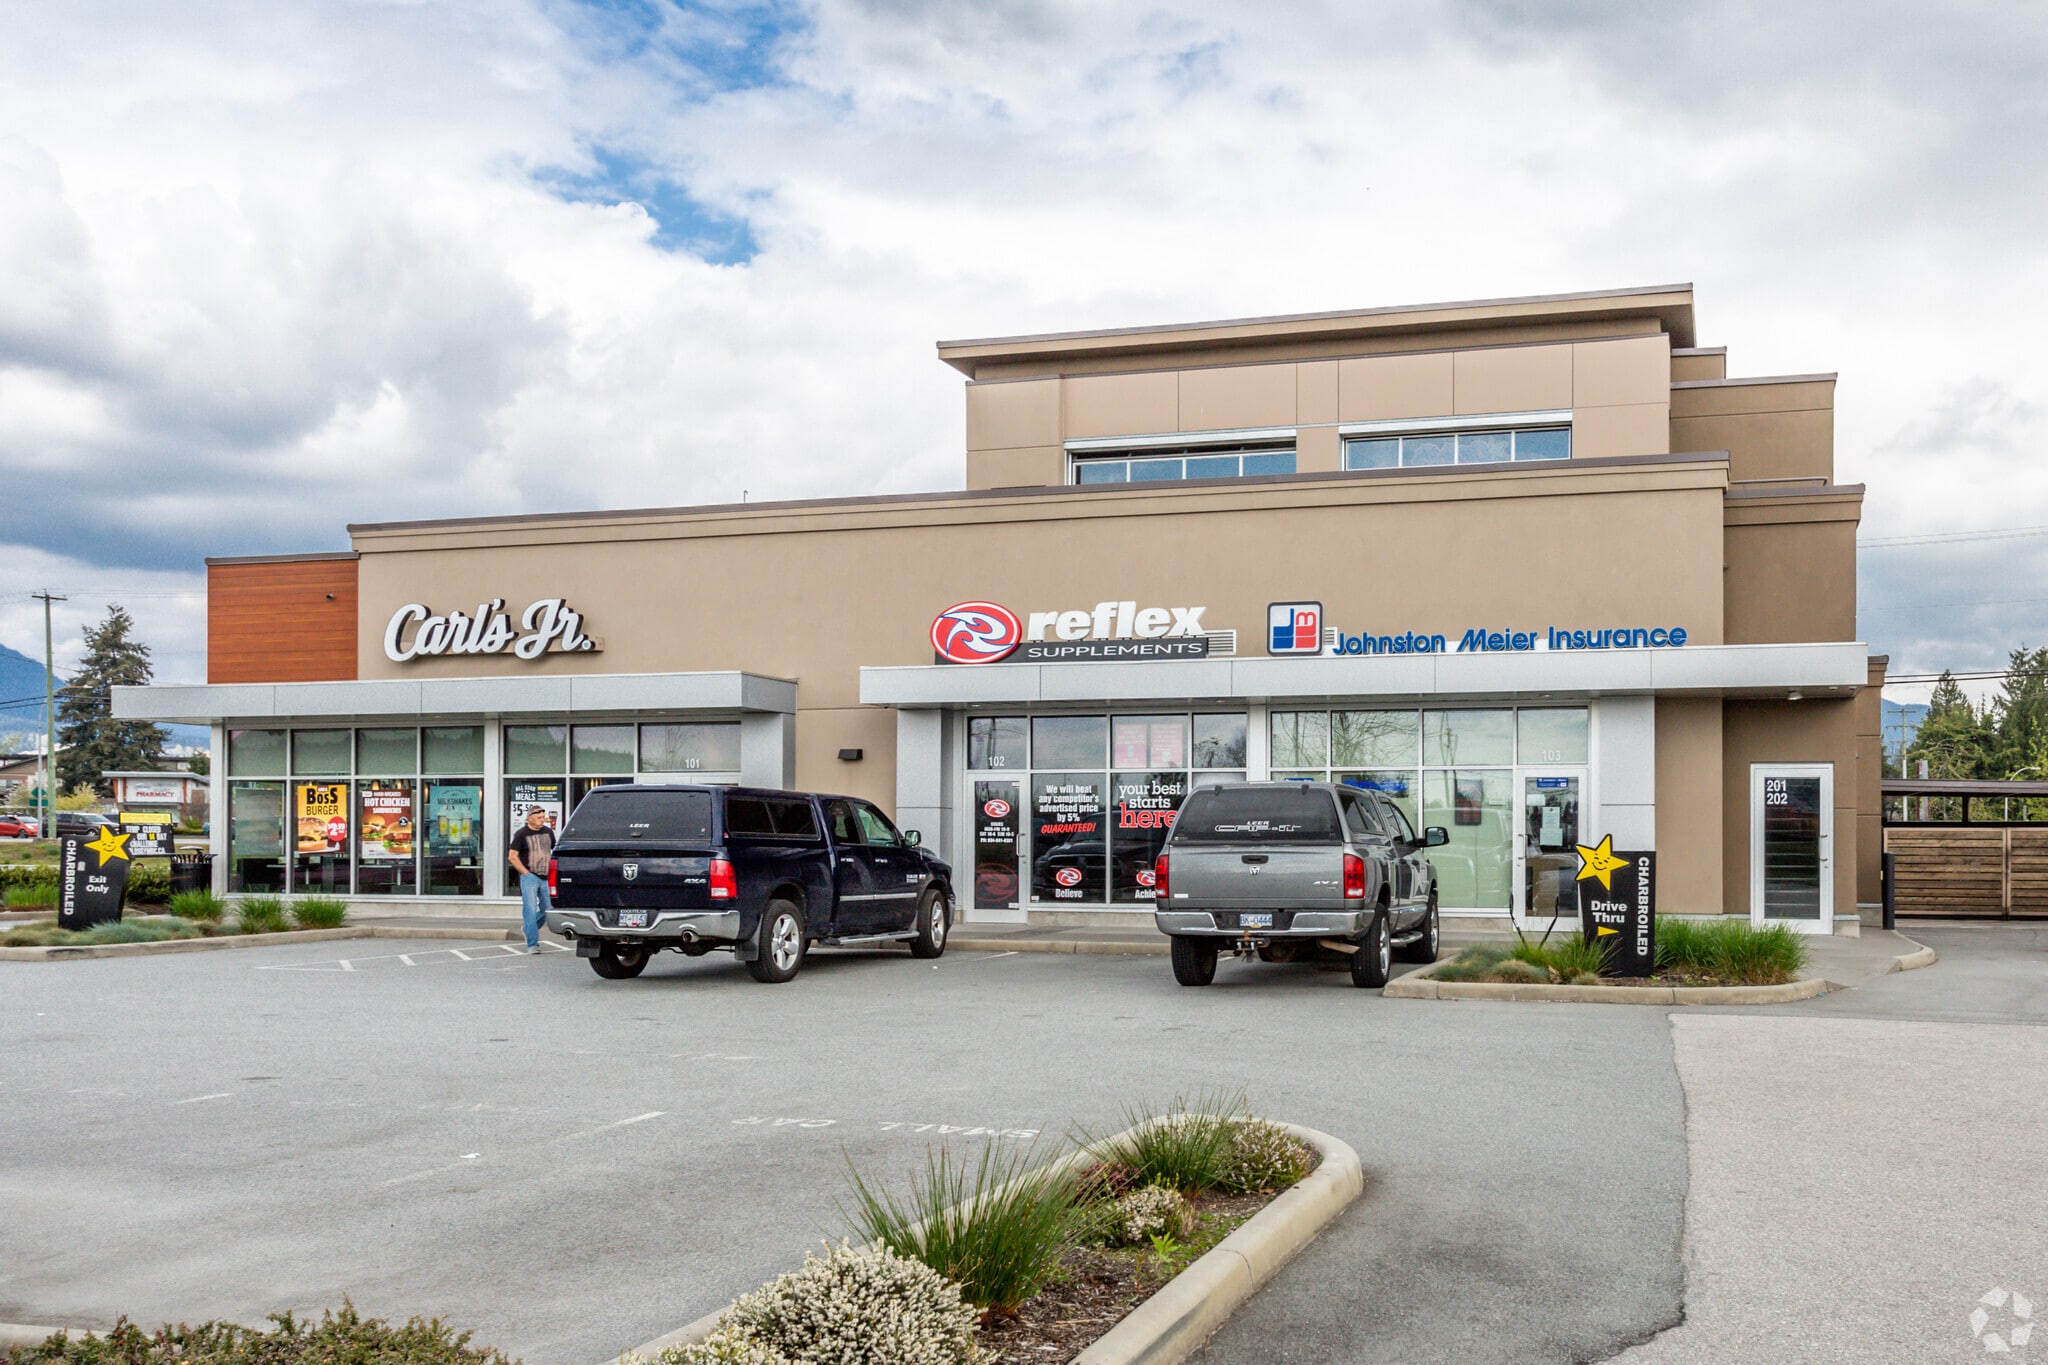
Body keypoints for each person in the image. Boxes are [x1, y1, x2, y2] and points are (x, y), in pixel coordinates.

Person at [508, 806, 556, 951]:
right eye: (539, 818)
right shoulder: (521, 834)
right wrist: (525, 873)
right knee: (529, 909)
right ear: (530, 818)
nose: (542, 820)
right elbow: (512, 857)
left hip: (546, 876)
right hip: (529, 876)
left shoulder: (548, 832)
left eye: (543, 817)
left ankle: (528, 929)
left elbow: (553, 850)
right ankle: (532, 944)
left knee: (549, 909)